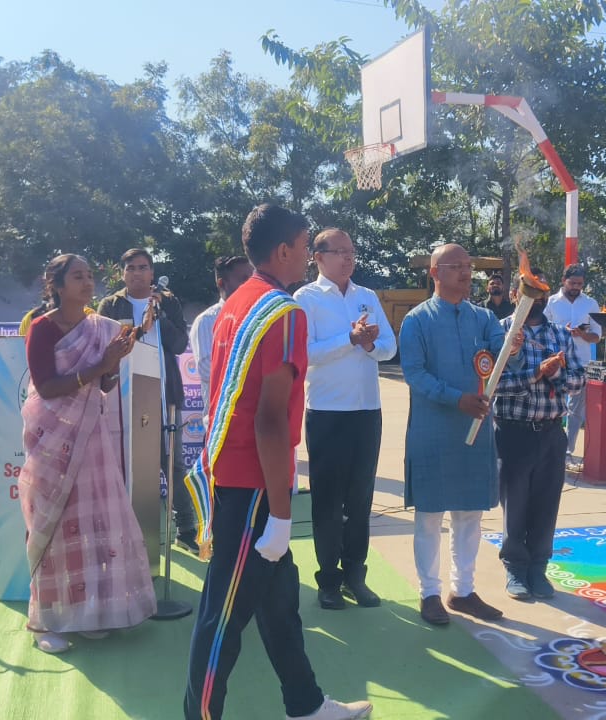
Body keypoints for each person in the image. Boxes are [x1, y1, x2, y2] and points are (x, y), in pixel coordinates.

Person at [183, 204, 371, 720]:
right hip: (256, 486)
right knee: (222, 618)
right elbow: (268, 420)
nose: (309, 255)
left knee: (280, 605)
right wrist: (283, 514)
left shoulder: (238, 301)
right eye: (306, 245)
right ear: (284, 250)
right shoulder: (285, 311)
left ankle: (306, 704)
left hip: (239, 474)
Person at [20, 254, 155, 654]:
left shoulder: (99, 326)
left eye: (90, 276)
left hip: (92, 437)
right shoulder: (42, 328)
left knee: (93, 520)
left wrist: (113, 363)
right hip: (52, 440)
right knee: (54, 523)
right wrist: (101, 365)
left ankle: (88, 613)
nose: (87, 282)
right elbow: (46, 387)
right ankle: (46, 620)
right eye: (78, 276)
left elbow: (105, 385)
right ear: (57, 285)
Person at [400, 243, 518, 627]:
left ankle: (463, 591)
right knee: (430, 516)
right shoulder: (417, 320)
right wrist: (457, 399)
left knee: (469, 514)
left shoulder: (483, 318)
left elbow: (501, 356)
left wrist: (512, 346)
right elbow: (415, 374)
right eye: (456, 266)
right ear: (434, 273)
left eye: (468, 266)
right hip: (432, 430)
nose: (466, 272)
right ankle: (429, 593)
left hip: (476, 428)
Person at [293, 228, 396, 610]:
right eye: (339, 252)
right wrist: (348, 341)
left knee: (360, 499)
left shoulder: (366, 296)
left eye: (351, 251)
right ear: (318, 257)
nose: (348, 258)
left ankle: (356, 575)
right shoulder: (306, 298)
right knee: (327, 501)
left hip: (366, 411)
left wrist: (368, 344)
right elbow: (304, 354)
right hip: (327, 412)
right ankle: (329, 580)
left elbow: (389, 348)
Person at [96, 249, 199, 554]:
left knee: (173, 464)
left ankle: (185, 530)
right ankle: (130, 534)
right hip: (124, 397)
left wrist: (160, 317)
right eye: (131, 268)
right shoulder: (110, 305)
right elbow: (103, 347)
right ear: (122, 273)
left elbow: (179, 344)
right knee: (129, 466)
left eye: (143, 267)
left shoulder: (167, 301)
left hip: (166, 396)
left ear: (152, 272)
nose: (137, 273)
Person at [492, 271, 585, 600]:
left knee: (546, 505)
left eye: (542, 293)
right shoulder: (500, 333)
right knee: (515, 504)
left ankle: (538, 568)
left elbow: (578, 381)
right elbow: (494, 385)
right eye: (530, 292)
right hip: (513, 432)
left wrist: (555, 376)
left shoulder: (560, 334)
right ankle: (515, 567)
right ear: (515, 296)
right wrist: (536, 374)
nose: (537, 299)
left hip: (551, 432)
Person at [543, 264, 602, 469]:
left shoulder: (590, 303)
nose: (576, 287)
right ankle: (548, 450)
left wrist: (582, 334)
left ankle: (567, 453)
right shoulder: (551, 302)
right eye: (573, 283)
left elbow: (597, 336)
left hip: (581, 364)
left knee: (576, 411)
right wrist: (562, 331)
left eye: (580, 284)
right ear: (563, 281)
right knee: (552, 408)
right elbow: (542, 330)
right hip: (555, 362)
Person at [190, 255, 254, 417]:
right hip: (222, 419)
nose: (250, 284)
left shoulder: (258, 316)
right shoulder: (207, 320)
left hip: (254, 417)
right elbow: (207, 370)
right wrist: (251, 368)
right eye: (243, 279)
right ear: (221, 283)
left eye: (252, 278)